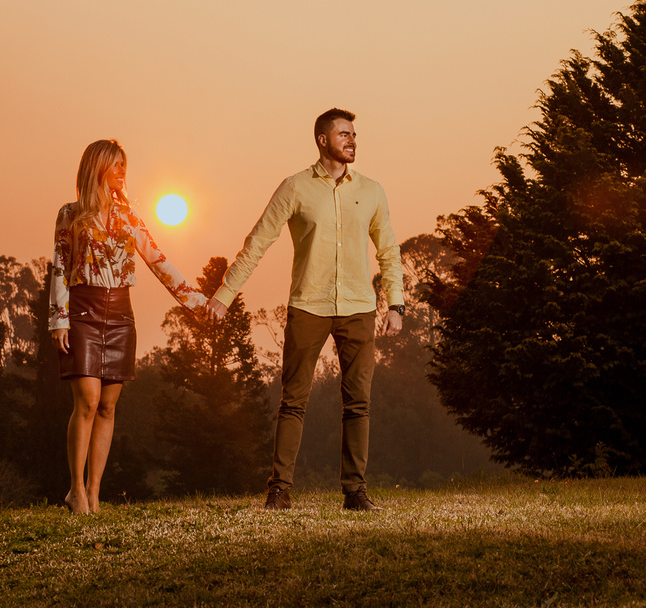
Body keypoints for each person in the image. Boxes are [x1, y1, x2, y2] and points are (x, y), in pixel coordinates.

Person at [208, 108, 404, 511]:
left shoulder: (371, 191)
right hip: (308, 306)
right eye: (344, 134)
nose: (352, 140)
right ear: (322, 139)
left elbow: (389, 251)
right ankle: (279, 490)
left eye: (354, 134)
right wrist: (224, 295)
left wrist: (395, 304)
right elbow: (258, 241)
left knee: (358, 403)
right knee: (293, 401)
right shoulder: (294, 187)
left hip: (359, 308)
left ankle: (355, 492)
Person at [50, 139, 206, 514]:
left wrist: (196, 301)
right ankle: (75, 490)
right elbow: (58, 265)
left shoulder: (130, 216)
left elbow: (157, 260)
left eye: (124, 166)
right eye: (116, 165)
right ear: (97, 168)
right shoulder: (69, 214)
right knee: (86, 401)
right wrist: (59, 318)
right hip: (83, 311)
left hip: (120, 315)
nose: (123, 173)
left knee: (107, 406)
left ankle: (94, 493)